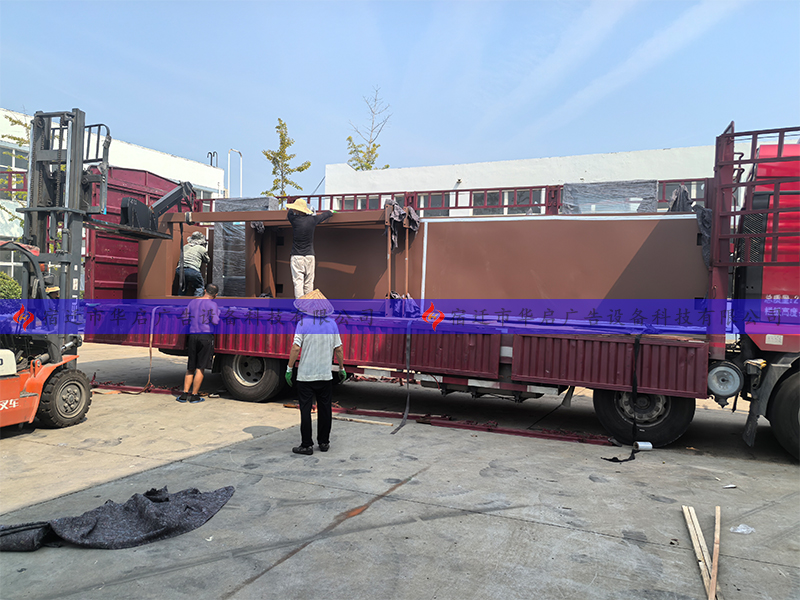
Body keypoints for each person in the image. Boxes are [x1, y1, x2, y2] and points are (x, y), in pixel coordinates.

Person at [285, 289, 346, 455]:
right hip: (325, 376)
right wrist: (341, 368)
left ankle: (306, 445)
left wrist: (289, 369)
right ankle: (324, 442)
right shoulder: (332, 324)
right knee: (325, 410)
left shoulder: (303, 323)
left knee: (305, 411)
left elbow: (296, 347)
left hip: (305, 376)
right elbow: (339, 349)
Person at [177, 283, 220, 404]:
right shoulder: (212, 305)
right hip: (205, 336)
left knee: (190, 368)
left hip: (192, 336)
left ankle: (184, 395)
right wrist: (218, 314)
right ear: (216, 295)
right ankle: (194, 395)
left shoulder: (193, 302)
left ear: (205, 290)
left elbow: (185, 318)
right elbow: (215, 321)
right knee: (200, 368)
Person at [285, 198, 334, 298]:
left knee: (298, 281)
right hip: (310, 256)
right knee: (309, 281)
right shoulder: (313, 220)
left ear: (297, 210)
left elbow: (289, 212)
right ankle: (308, 303)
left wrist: (293, 206)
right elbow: (324, 216)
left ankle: (300, 303)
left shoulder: (294, 220)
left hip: (297, 256)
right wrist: (330, 212)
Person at [176, 231, 209, 296]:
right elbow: (207, 260)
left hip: (180, 270)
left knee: (183, 287)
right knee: (199, 286)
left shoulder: (185, 246)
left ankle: (179, 300)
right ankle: (197, 301)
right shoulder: (201, 248)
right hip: (192, 270)